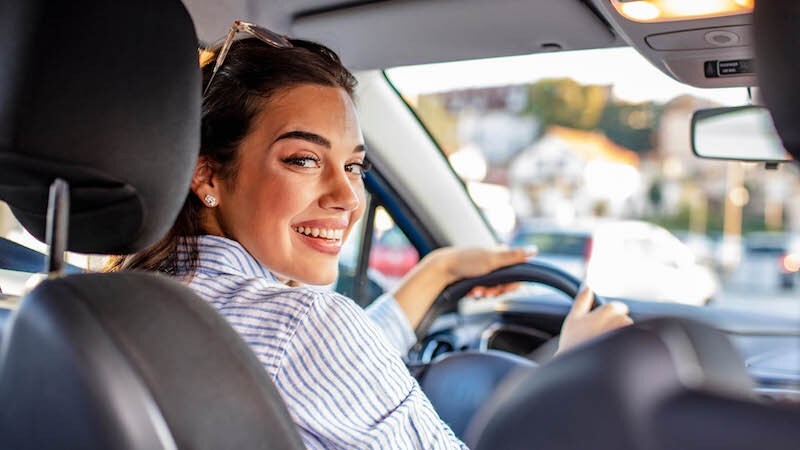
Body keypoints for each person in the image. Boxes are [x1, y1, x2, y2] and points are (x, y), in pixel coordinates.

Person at [108, 26, 632, 449]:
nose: (349, 197)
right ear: (207, 175)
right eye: (305, 159)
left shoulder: (120, 303)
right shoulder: (305, 323)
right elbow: (316, 350)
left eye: (355, 166)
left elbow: (320, 372)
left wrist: (439, 271)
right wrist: (568, 383)